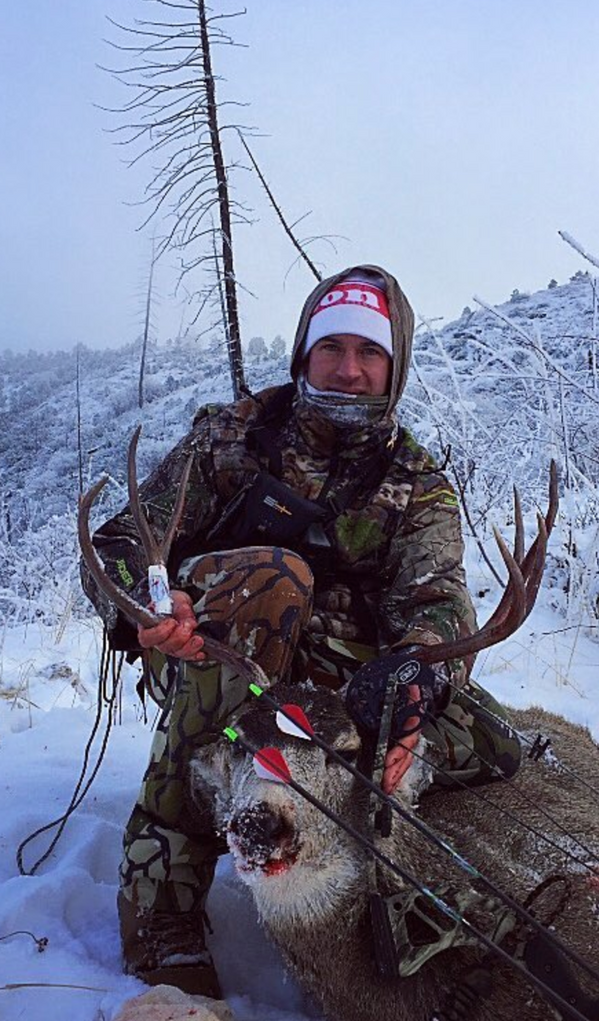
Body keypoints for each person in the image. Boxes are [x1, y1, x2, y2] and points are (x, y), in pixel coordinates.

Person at [82, 265, 521, 998]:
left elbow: (440, 602)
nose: (348, 368)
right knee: (275, 578)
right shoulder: (231, 439)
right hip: (214, 650)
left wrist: (416, 674)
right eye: (332, 347)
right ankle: (162, 892)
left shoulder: (416, 479)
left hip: (343, 678)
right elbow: (123, 540)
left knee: (494, 741)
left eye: (369, 352)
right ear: (304, 353)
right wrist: (156, 605)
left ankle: (338, 783)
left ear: (393, 366)